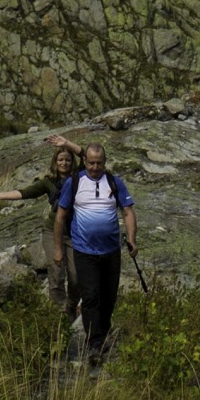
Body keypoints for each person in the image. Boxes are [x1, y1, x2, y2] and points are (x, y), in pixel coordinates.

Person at [0, 133, 81, 318]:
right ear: (55, 162)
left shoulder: (80, 178)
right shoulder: (48, 182)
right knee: (57, 272)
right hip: (53, 232)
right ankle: (60, 312)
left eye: (67, 160)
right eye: (60, 159)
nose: (64, 163)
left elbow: (85, 155)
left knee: (76, 277)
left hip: (75, 233)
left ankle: (71, 307)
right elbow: (24, 193)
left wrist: (66, 143)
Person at [54, 143, 136, 368]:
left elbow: (128, 212)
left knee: (108, 298)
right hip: (84, 251)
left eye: (99, 163)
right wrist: (59, 248)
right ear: (85, 161)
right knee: (91, 296)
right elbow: (60, 217)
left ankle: (103, 331)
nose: (95, 167)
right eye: (91, 162)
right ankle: (94, 344)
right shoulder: (75, 183)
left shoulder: (114, 182)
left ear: (105, 162)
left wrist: (131, 239)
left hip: (111, 251)